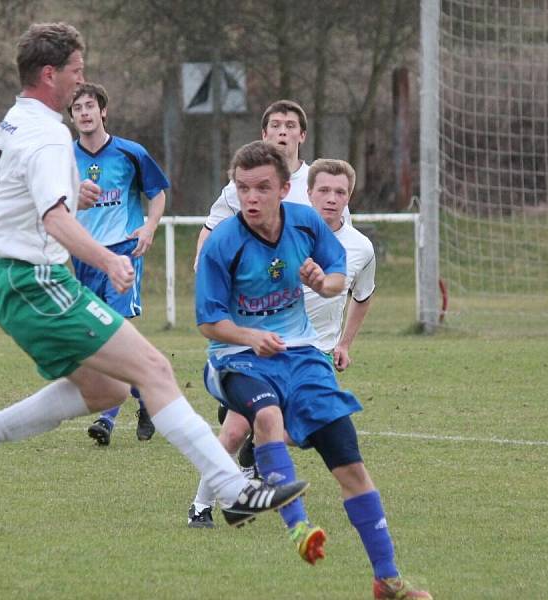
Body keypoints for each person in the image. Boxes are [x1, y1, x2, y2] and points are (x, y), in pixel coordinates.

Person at [0, 22, 308, 528]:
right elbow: (51, 219)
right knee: (155, 369)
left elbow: (11, 198)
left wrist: (74, 193)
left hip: (17, 280)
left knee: (109, 391)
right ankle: (233, 489)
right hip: (35, 280)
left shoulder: (10, 124)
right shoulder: (50, 135)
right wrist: (109, 259)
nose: (82, 81)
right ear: (50, 74)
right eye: (77, 70)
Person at [193, 145, 432, 599]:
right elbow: (208, 321)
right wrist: (249, 336)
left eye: (263, 187)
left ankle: (388, 580)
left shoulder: (305, 223)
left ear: (285, 189)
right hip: (235, 357)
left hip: (303, 358)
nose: (252, 198)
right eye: (243, 188)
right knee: (265, 418)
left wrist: (325, 283)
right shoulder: (223, 243)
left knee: (352, 467)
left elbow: (342, 276)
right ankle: (298, 528)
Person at [189, 156, 377, 519]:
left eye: (340, 192)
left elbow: (361, 295)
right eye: (323, 190)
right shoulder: (282, 228)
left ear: (350, 197)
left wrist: (344, 342)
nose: (331, 199)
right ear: (307, 192)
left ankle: (256, 453)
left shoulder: (360, 247)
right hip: (257, 353)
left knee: (301, 432)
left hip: (313, 354)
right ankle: (201, 506)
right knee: (233, 432)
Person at [67, 82, 168, 446]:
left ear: (103, 111)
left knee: (111, 333)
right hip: (86, 256)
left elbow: (157, 194)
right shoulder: (64, 158)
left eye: (90, 105)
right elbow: (54, 204)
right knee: (100, 337)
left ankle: (107, 419)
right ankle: (147, 398)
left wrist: (149, 227)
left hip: (124, 252)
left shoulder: (131, 153)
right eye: (77, 108)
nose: (84, 112)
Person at [193, 99, 350, 270]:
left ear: (302, 135)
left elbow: (345, 240)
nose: (282, 132)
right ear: (264, 134)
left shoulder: (324, 184)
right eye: (275, 126)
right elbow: (211, 230)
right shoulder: (244, 184)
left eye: (290, 126)